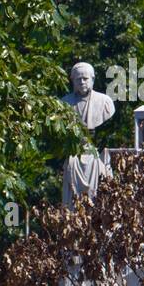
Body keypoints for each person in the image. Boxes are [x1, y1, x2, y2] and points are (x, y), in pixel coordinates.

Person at [61, 61, 115, 204]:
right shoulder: (64, 104)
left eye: (85, 78)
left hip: (95, 157)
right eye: (78, 79)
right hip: (75, 157)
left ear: (92, 79)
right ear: (72, 80)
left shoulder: (105, 103)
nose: (82, 82)